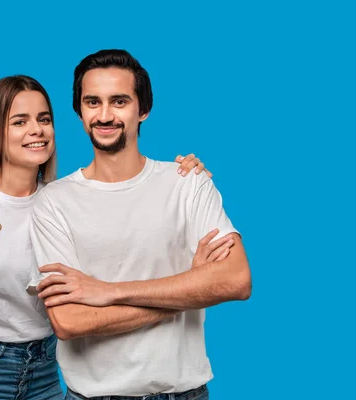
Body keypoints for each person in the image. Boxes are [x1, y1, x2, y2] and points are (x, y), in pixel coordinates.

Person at [0, 74, 215, 399]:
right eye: (20, 121)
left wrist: (179, 177)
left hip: (46, 370)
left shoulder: (61, 201)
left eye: (44, 119)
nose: (37, 130)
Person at [28, 49, 252, 400]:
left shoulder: (187, 182)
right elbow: (69, 322)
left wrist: (108, 291)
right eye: (92, 102)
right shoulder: (52, 203)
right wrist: (190, 288)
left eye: (119, 101)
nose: (104, 115)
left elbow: (236, 280)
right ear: (79, 111)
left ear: (142, 109)